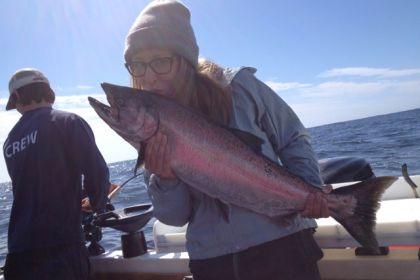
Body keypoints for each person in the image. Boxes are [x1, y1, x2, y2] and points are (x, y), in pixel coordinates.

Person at [123, 1, 330, 279]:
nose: (148, 76)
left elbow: (293, 136)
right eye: (138, 65)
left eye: (161, 61)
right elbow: (175, 217)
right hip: (214, 261)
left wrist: (310, 190)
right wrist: (165, 179)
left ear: (184, 59)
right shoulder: (150, 126)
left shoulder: (239, 86)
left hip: (283, 246)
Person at [2, 68, 110, 280]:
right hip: (61, 250)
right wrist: (96, 206)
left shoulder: (9, 142)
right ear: (49, 92)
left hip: (17, 253)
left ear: (16, 98)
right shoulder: (68, 122)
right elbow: (97, 174)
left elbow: (34, 186)